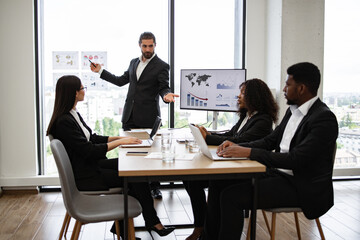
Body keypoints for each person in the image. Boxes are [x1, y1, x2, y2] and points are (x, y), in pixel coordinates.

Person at [203, 62, 338, 240]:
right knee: (218, 182)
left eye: (288, 85)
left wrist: (248, 153)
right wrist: (240, 148)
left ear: (301, 88)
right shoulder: (292, 111)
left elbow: (295, 159)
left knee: (231, 196)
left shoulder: (323, 119)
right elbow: (270, 141)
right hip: (278, 175)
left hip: (300, 186)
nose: (283, 89)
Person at [46, 75, 175, 239]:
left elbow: (92, 138)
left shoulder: (72, 113)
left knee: (134, 170)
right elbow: (89, 150)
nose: (84, 90)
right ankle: (149, 223)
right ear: (73, 93)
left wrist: (119, 138)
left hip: (91, 166)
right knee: (135, 178)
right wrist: (121, 143)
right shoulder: (64, 121)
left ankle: (128, 227)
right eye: (82, 88)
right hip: (87, 175)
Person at [183, 78, 279, 240]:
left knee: (216, 183)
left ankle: (207, 232)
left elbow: (240, 142)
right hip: (237, 163)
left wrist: (208, 138)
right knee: (192, 180)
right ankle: (203, 228)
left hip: (250, 170)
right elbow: (231, 135)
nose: (238, 96)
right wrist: (210, 135)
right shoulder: (247, 116)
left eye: (243, 93)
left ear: (254, 96)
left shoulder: (262, 120)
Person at [90, 31, 178, 199]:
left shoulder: (162, 66)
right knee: (129, 153)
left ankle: (154, 187)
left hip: (148, 118)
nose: (147, 49)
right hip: (129, 116)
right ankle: (134, 187)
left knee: (150, 154)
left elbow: (163, 87)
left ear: (155, 45)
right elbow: (120, 80)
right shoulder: (133, 63)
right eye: (144, 45)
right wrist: (100, 71)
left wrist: (166, 96)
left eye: (150, 46)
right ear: (140, 45)